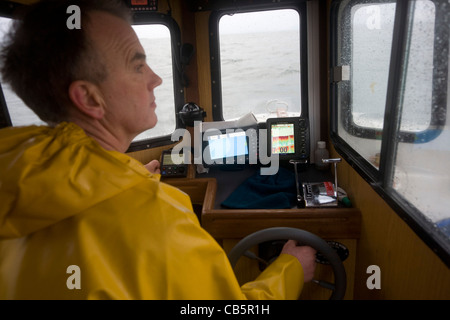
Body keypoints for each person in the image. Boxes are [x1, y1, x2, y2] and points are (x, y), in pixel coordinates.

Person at [0, 0, 316, 299]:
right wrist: (290, 269)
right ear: (89, 98)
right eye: (138, 67)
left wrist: (129, 178)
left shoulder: (15, 172)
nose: (157, 79)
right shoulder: (160, 220)